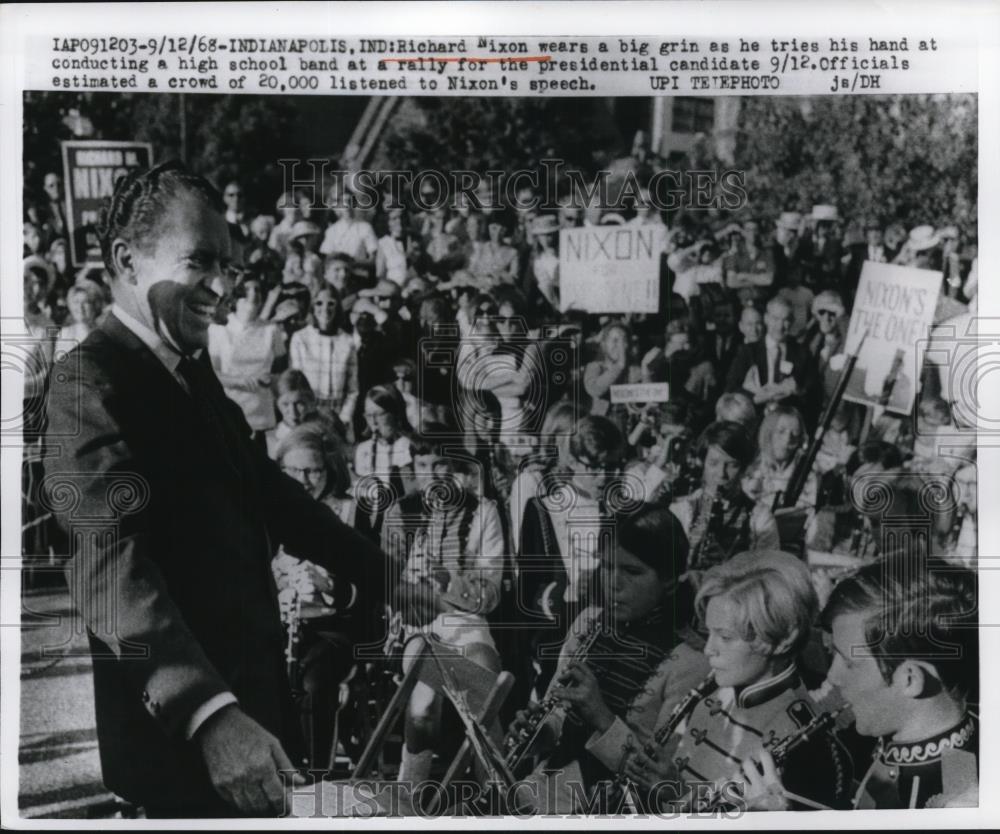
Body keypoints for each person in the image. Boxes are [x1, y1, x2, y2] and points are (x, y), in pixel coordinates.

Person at [43, 161, 388, 817]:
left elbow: (266, 491)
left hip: (253, 720)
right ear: (127, 259)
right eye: (200, 262)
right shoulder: (88, 382)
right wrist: (208, 715)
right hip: (186, 749)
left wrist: (393, 579)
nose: (224, 287)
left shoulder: (189, 369)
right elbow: (111, 570)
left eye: (228, 265)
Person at [508, 505, 710, 814]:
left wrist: (600, 715)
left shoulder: (690, 663)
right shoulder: (589, 623)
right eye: (606, 567)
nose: (613, 583)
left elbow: (662, 784)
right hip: (544, 791)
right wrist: (538, 736)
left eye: (632, 572)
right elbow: (557, 717)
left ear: (669, 579)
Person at [623, 550, 852, 812]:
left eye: (726, 637)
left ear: (783, 639)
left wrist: (678, 793)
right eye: (709, 632)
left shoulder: (809, 745)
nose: (709, 649)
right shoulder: (713, 693)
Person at [740, 559, 978, 810]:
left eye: (850, 663)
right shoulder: (915, 740)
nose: (833, 676)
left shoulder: (958, 801)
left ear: (910, 680)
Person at [381, 434, 505, 791]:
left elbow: (490, 595)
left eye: (441, 466)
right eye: (422, 467)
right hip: (416, 625)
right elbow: (383, 584)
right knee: (424, 704)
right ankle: (411, 791)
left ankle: (494, 794)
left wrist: (449, 580)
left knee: (484, 676)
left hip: (467, 619)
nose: (432, 476)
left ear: (456, 470)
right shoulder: (401, 512)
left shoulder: (483, 511)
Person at [272, 424, 364, 767]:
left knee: (313, 684)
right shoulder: (269, 511)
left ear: (330, 470)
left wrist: (328, 586)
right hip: (279, 622)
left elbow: (366, 592)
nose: (304, 479)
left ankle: (314, 779)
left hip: (331, 628)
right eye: (293, 470)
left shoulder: (347, 512)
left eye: (313, 470)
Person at [518, 416, 624, 695]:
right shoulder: (543, 509)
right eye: (595, 468)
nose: (605, 477)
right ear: (574, 461)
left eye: (612, 467)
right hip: (558, 637)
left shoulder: (624, 512)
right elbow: (529, 586)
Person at [667, 421, 780, 574]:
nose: (721, 474)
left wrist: (729, 565)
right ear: (702, 462)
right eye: (713, 463)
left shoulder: (760, 518)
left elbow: (769, 576)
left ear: (744, 469)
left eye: (732, 465)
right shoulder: (680, 511)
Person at [208, 276, 288, 445]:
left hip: (262, 415)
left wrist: (272, 378)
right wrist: (241, 381)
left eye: (258, 289)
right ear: (237, 296)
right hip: (230, 409)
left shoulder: (272, 330)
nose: (253, 294)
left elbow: (282, 373)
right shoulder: (219, 328)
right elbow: (212, 373)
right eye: (248, 289)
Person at [289, 286, 359, 430]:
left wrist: (344, 418)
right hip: (308, 413)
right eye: (319, 303)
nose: (325, 309)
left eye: (331, 303)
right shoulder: (300, 338)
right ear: (312, 306)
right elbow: (297, 384)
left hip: (339, 414)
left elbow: (353, 389)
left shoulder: (347, 341)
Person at [266, 368, 321, 459]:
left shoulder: (319, 434)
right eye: (285, 404)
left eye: (299, 403)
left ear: (309, 401)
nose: (293, 412)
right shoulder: (272, 437)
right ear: (277, 404)